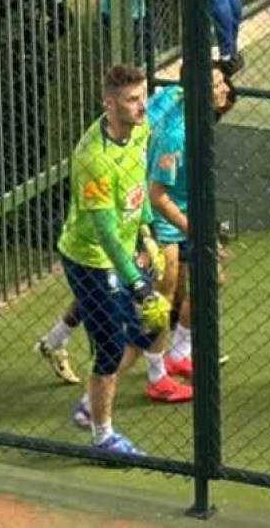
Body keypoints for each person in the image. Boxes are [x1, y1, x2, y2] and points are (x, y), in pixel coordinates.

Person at [56, 65, 192, 458]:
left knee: (148, 330)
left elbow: (139, 187)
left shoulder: (140, 131)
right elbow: (104, 232)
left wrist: (148, 232)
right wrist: (137, 281)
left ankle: (88, 407)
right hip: (90, 262)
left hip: (125, 251)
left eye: (143, 95)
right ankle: (103, 437)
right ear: (109, 103)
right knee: (111, 348)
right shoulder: (93, 158)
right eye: (132, 99)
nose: (141, 106)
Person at [143, 66, 236, 382]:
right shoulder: (177, 136)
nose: (225, 88)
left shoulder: (175, 94)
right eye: (216, 84)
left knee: (212, 278)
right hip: (164, 219)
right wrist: (194, 229)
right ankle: (157, 376)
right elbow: (157, 195)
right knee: (164, 296)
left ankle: (179, 353)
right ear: (199, 93)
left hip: (187, 210)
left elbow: (150, 109)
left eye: (222, 80)